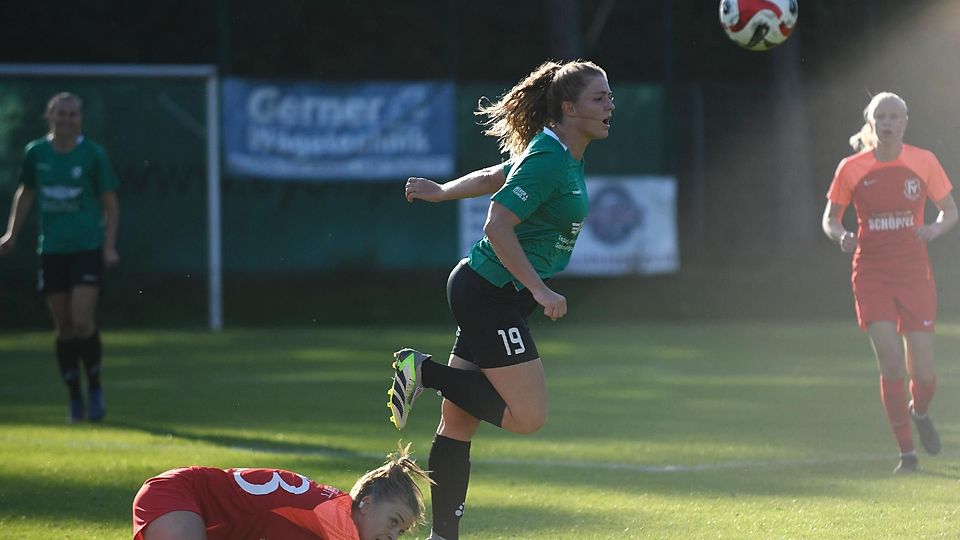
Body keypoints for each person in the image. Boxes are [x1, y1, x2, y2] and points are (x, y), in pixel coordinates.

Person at [386, 59, 614, 539]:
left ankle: (442, 535)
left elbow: (498, 174)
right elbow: (496, 222)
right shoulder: (552, 157)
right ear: (569, 108)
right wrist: (540, 288)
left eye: (609, 96)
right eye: (600, 98)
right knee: (528, 416)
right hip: (489, 293)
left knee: (457, 424)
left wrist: (444, 191)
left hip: (488, 292)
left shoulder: (556, 151)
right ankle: (420, 370)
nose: (611, 105)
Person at [822, 91, 957, 474]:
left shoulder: (923, 161)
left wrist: (934, 228)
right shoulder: (851, 167)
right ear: (871, 122)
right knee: (891, 362)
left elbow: (951, 211)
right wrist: (840, 235)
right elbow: (830, 219)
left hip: (914, 274)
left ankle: (921, 411)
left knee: (924, 374)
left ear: (905, 122)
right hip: (872, 274)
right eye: (880, 115)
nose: (887, 121)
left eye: (894, 115)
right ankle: (907, 454)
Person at [0, 92, 120, 423]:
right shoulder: (36, 153)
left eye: (72, 114)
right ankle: (74, 396)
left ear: (80, 118)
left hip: (86, 248)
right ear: (49, 116)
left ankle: (95, 385)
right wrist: (12, 233)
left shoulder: (93, 155)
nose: (66, 119)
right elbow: (25, 193)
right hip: (52, 249)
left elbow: (110, 202)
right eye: (61, 114)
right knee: (64, 326)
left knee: (82, 320)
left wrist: (109, 245)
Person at [132, 444, 432, 540]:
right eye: (394, 521)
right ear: (365, 504)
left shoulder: (334, 516)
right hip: (178, 494)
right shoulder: (338, 523)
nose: (393, 536)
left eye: (401, 532)